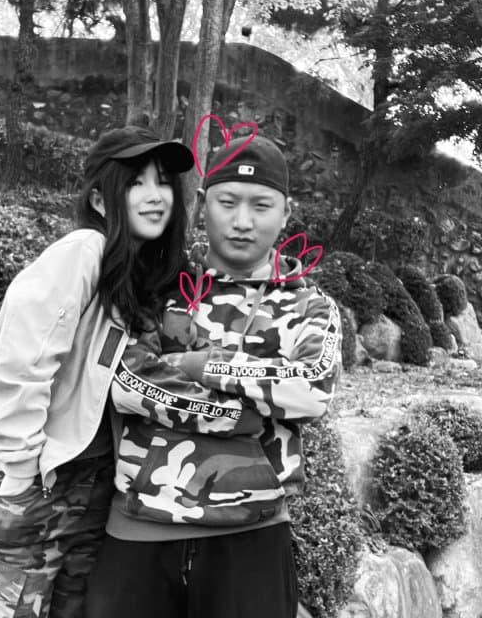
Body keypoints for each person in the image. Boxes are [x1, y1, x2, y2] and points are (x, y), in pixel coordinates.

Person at [85, 135, 343, 618]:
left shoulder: (311, 306)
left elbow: (311, 389)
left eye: (261, 206)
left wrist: (200, 367)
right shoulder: (158, 287)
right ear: (203, 204)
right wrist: (239, 412)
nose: (243, 221)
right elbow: (125, 381)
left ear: (286, 213)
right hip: (140, 529)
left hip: (252, 537)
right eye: (228, 203)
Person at [0, 125, 195, 618]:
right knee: (3, 605)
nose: (155, 196)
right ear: (100, 200)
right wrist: (19, 473)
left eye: (163, 182)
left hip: (91, 479)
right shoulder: (84, 250)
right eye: (136, 183)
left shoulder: (138, 272)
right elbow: (23, 360)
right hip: (36, 475)